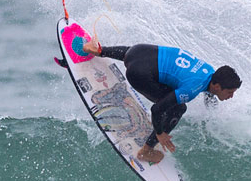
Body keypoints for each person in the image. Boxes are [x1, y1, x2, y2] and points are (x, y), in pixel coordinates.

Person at [74, 39, 241, 164]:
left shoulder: (210, 72)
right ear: (218, 87)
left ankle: (98, 50)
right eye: (230, 92)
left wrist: (212, 113)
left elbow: (209, 93)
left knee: (145, 62)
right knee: (178, 108)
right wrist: (160, 134)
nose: (231, 96)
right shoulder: (191, 89)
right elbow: (157, 109)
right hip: (138, 74)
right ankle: (146, 151)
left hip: (136, 51)